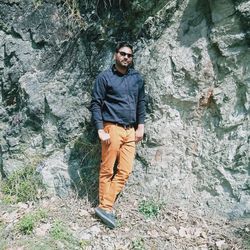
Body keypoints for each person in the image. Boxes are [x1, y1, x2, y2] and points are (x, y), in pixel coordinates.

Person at [90, 41, 146, 229]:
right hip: (111, 128)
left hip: (130, 130)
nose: (126, 58)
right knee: (107, 169)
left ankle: (104, 206)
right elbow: (96, 104)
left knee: (125, 171)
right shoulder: (105, 77)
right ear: (115, 55)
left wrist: (141, 126)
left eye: (129, 55)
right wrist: (100, 129)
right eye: (123, 54)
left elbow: (141, 103)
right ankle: (105, 208)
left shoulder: (137, 78)